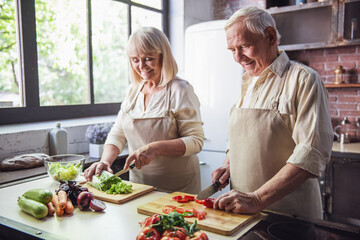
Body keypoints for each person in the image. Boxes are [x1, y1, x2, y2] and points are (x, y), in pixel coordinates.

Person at [211, 6, 333, 219]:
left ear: (270, 36)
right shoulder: (247, 83)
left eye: (244, 46)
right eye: (232, 50)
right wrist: (229, 162)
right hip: (243, 213)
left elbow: (312, 152)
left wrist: (257, 199)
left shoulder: (304, 80)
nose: (238, 57)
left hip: (289, 215)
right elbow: (242, 138)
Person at [84, 27, 204, 194]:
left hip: (178, 189)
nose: (141, 66)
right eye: (135, 60)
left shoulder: (180, 90)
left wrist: (154, 148)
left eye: (148, 59)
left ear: (164, 56)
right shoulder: (133, 91)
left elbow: (195, 141)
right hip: (139, 186)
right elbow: (117, 134)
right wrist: (105, 161)